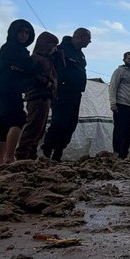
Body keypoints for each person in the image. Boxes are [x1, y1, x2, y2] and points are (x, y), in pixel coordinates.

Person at [42, 27, 92, 162]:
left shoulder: (80, 54)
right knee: (60, 122)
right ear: (81, 37)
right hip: (62, 92)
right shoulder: (61, 49)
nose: (89, 42)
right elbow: (51, 67)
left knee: (71, 124)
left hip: (76, 93)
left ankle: (58, 153)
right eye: (88, 39)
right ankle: (47, 150)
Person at [0, 19, 35, 165]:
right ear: (14, 32)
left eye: (27, 32)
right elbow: (27, 67)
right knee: (18, 119)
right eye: (21, 32)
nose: (24, 35)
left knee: (2, 124)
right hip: (9, 89)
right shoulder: (11, 48)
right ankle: (9, 157)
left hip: (3, 89)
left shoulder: (16, 49)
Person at [16, 32, 61, 160]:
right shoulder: (36, 59)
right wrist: (45, 82)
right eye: (53, 45)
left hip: (46, 96)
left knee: (40, 129)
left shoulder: (49, 60)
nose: (55, 49)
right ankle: (22, 154)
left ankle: (31, 153)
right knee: (33, 126)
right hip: (37, 96)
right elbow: (30, 76)